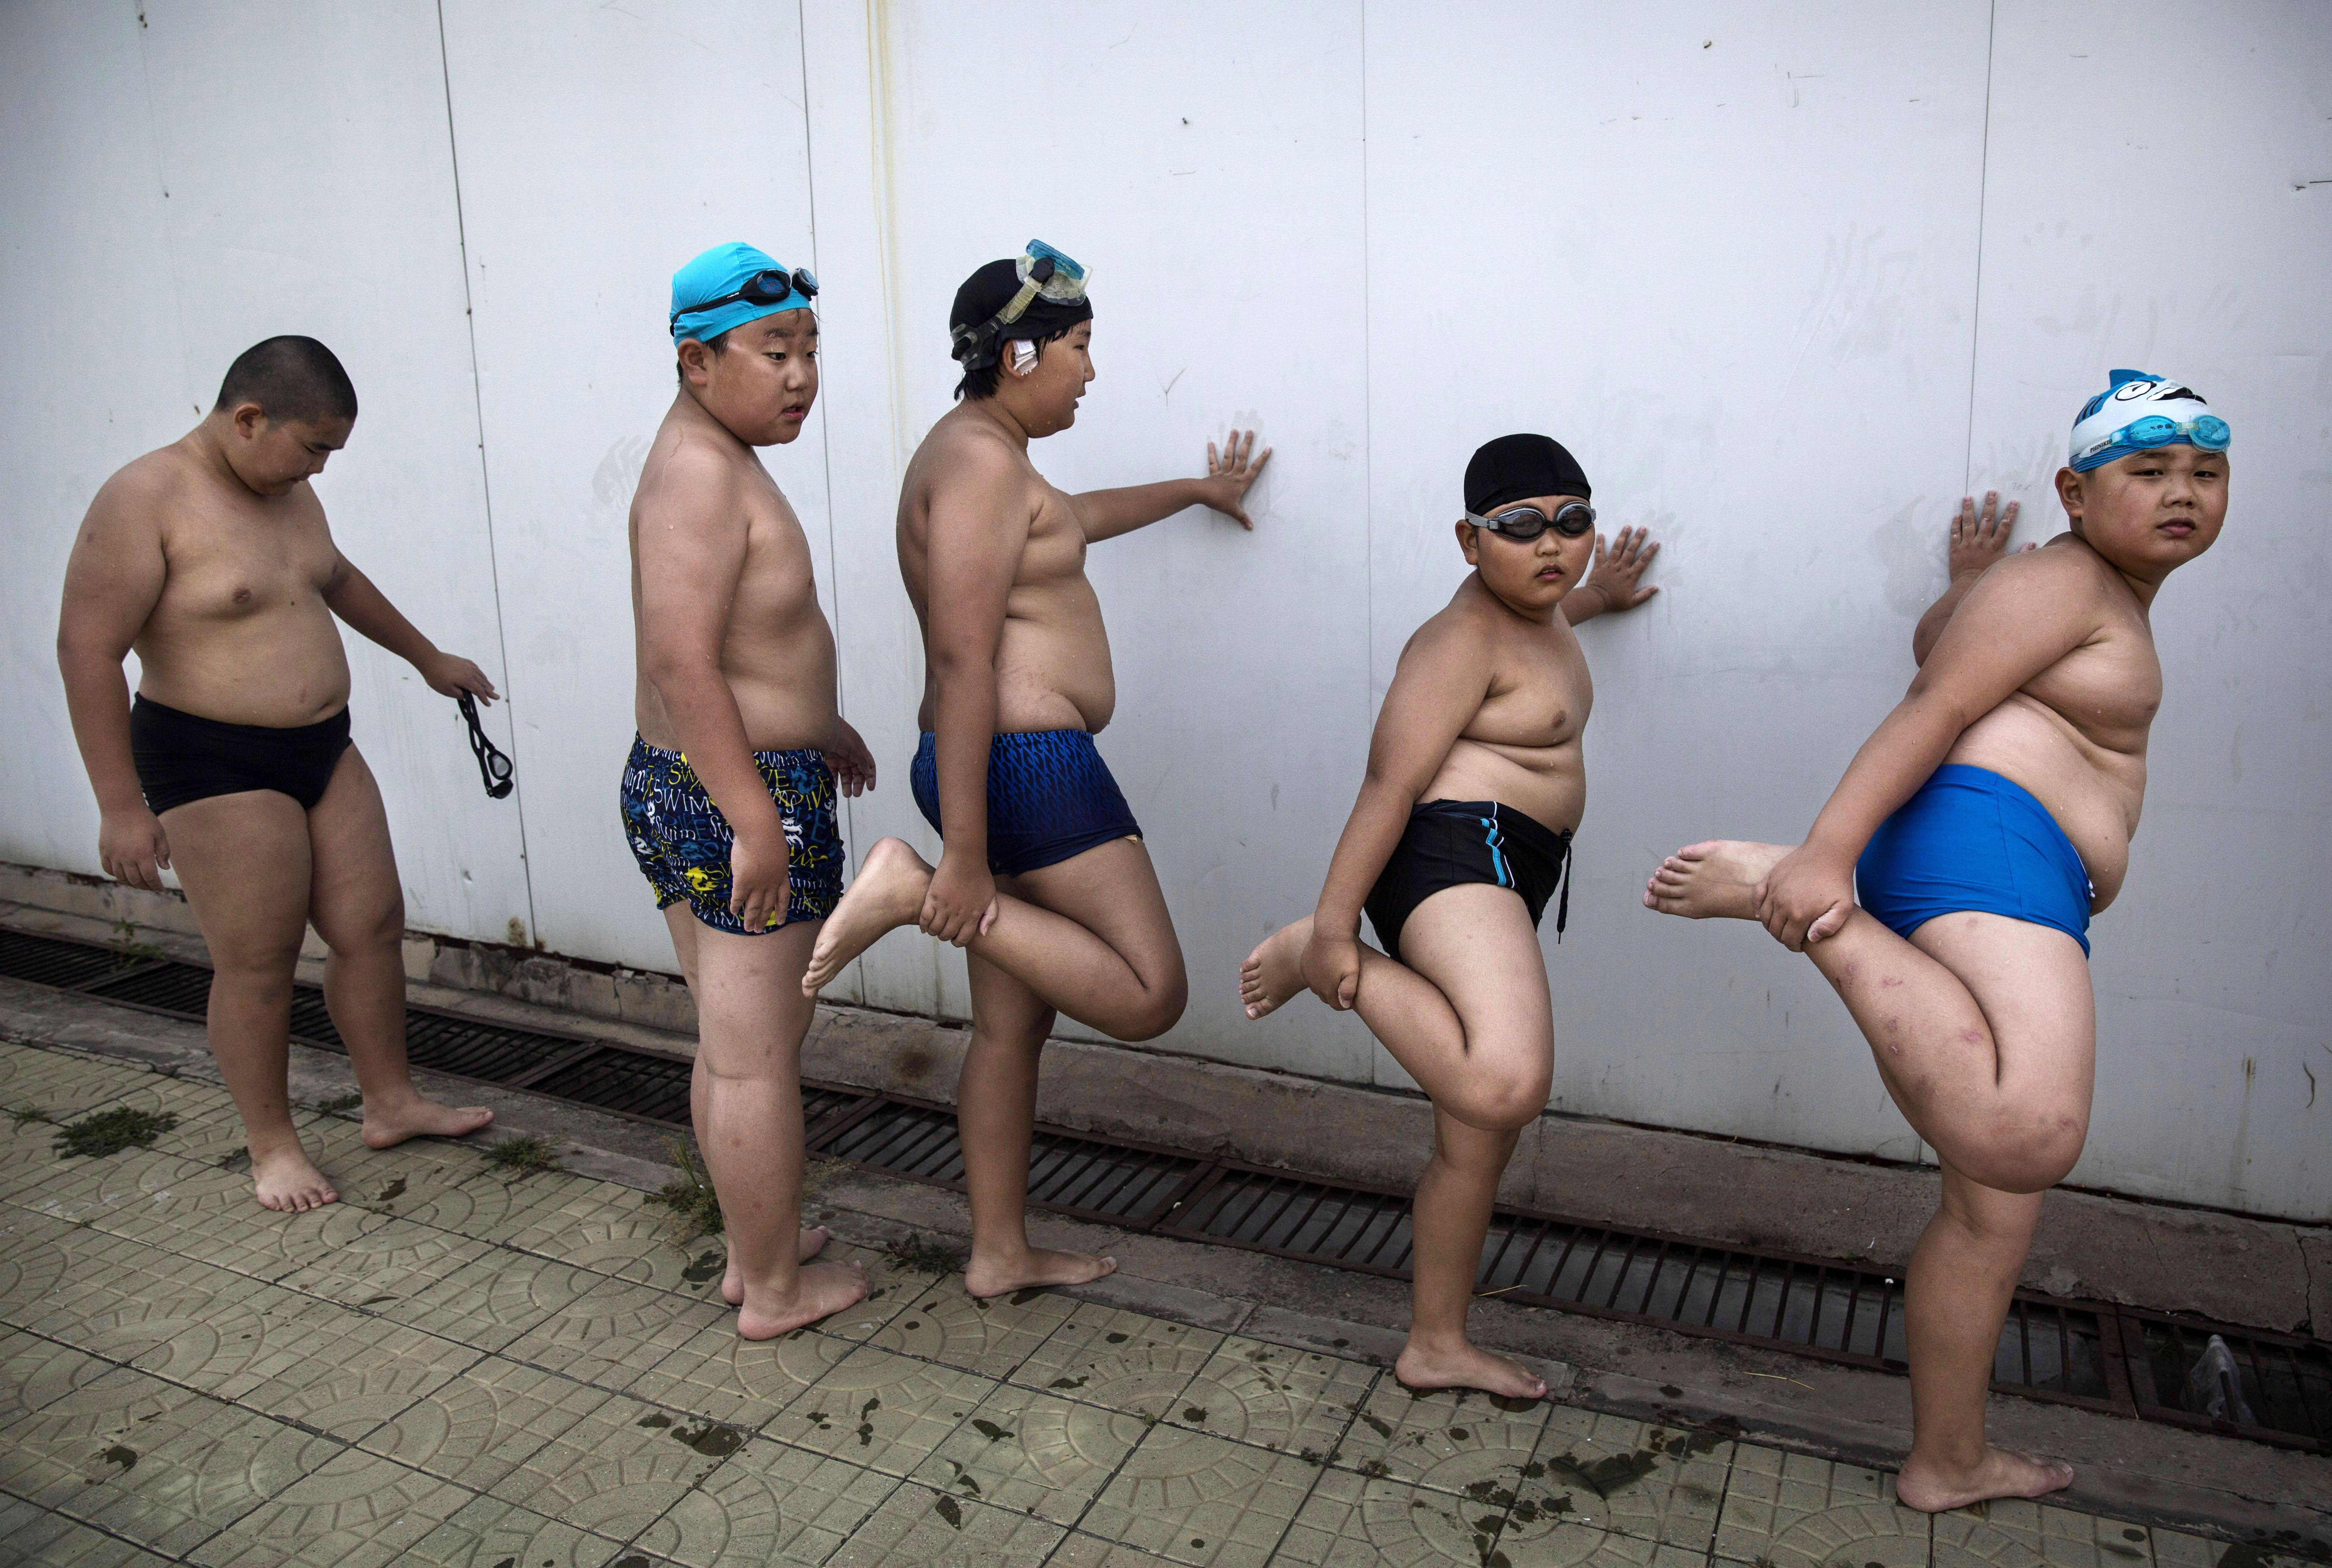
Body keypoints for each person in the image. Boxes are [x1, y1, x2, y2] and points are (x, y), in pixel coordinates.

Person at [1643, 371, 2230, 1509]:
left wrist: (1965, 584)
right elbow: (1935, 704)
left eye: (2206, 474)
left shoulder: (2043, 590)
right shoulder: (2068, 581)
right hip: (1992, 850)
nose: (2183, 494)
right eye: (2149, 472)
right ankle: (1814, 915)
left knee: (1988, 1214)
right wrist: (1821, 857)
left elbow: (1942, 642)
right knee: (2029, 1134)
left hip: (2016, 864)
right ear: (2075, 490)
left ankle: (1947, 1459)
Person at [802, 241, 1269, 1298]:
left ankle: (998, 1251)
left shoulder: (996, 457)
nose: (1093, 370)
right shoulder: (976, 465)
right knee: (1152, 992)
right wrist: (959, 858)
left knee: (1011, 1026)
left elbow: (1077, 519)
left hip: (1007, 764)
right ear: (1019, 354)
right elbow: (966, 656)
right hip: (1021, 766)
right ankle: (912, 890)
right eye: (1080, 346)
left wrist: (1197, 488)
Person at [1237, 433, 1661, 1398]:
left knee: (1475, 1138)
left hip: (1511, 865)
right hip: (1453, 851)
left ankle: (1435, 1341)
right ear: (1470, 543)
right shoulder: (1458, 640)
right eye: (1520, 528)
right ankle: (1317, 952)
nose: (1552, 546)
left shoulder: (1545, 617)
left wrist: (1607, 591)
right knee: (1505, 1082)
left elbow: (1559, 612)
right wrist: (1337, 923)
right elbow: (1390, 780)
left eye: (1573, 522)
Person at [56, 336, 498, 1213]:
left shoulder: (286, 491)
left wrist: (427, 656)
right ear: (249, 417)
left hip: (323, 743)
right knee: (258, 961)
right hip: (210, 756)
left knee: (372, 923)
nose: (321, 470)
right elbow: (87, 649)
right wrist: (119, 804)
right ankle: (274, 1147)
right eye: (314, 447)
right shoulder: (146, 497)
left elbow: (335, 577)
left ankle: (391, 1100)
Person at [622, 242, 880, 1338]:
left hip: (720, 779)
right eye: (773, 351)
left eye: (811, 351)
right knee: (759, 1061)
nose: (800, 375)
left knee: (736, 1052)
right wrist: (756, 819)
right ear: (696, 362)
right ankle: (774, 1290)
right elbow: (684, 663)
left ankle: (753, 1247)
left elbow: (749, 643)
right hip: (729, 793)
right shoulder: (697, 475)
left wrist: (824, 724)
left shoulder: (715, 455)